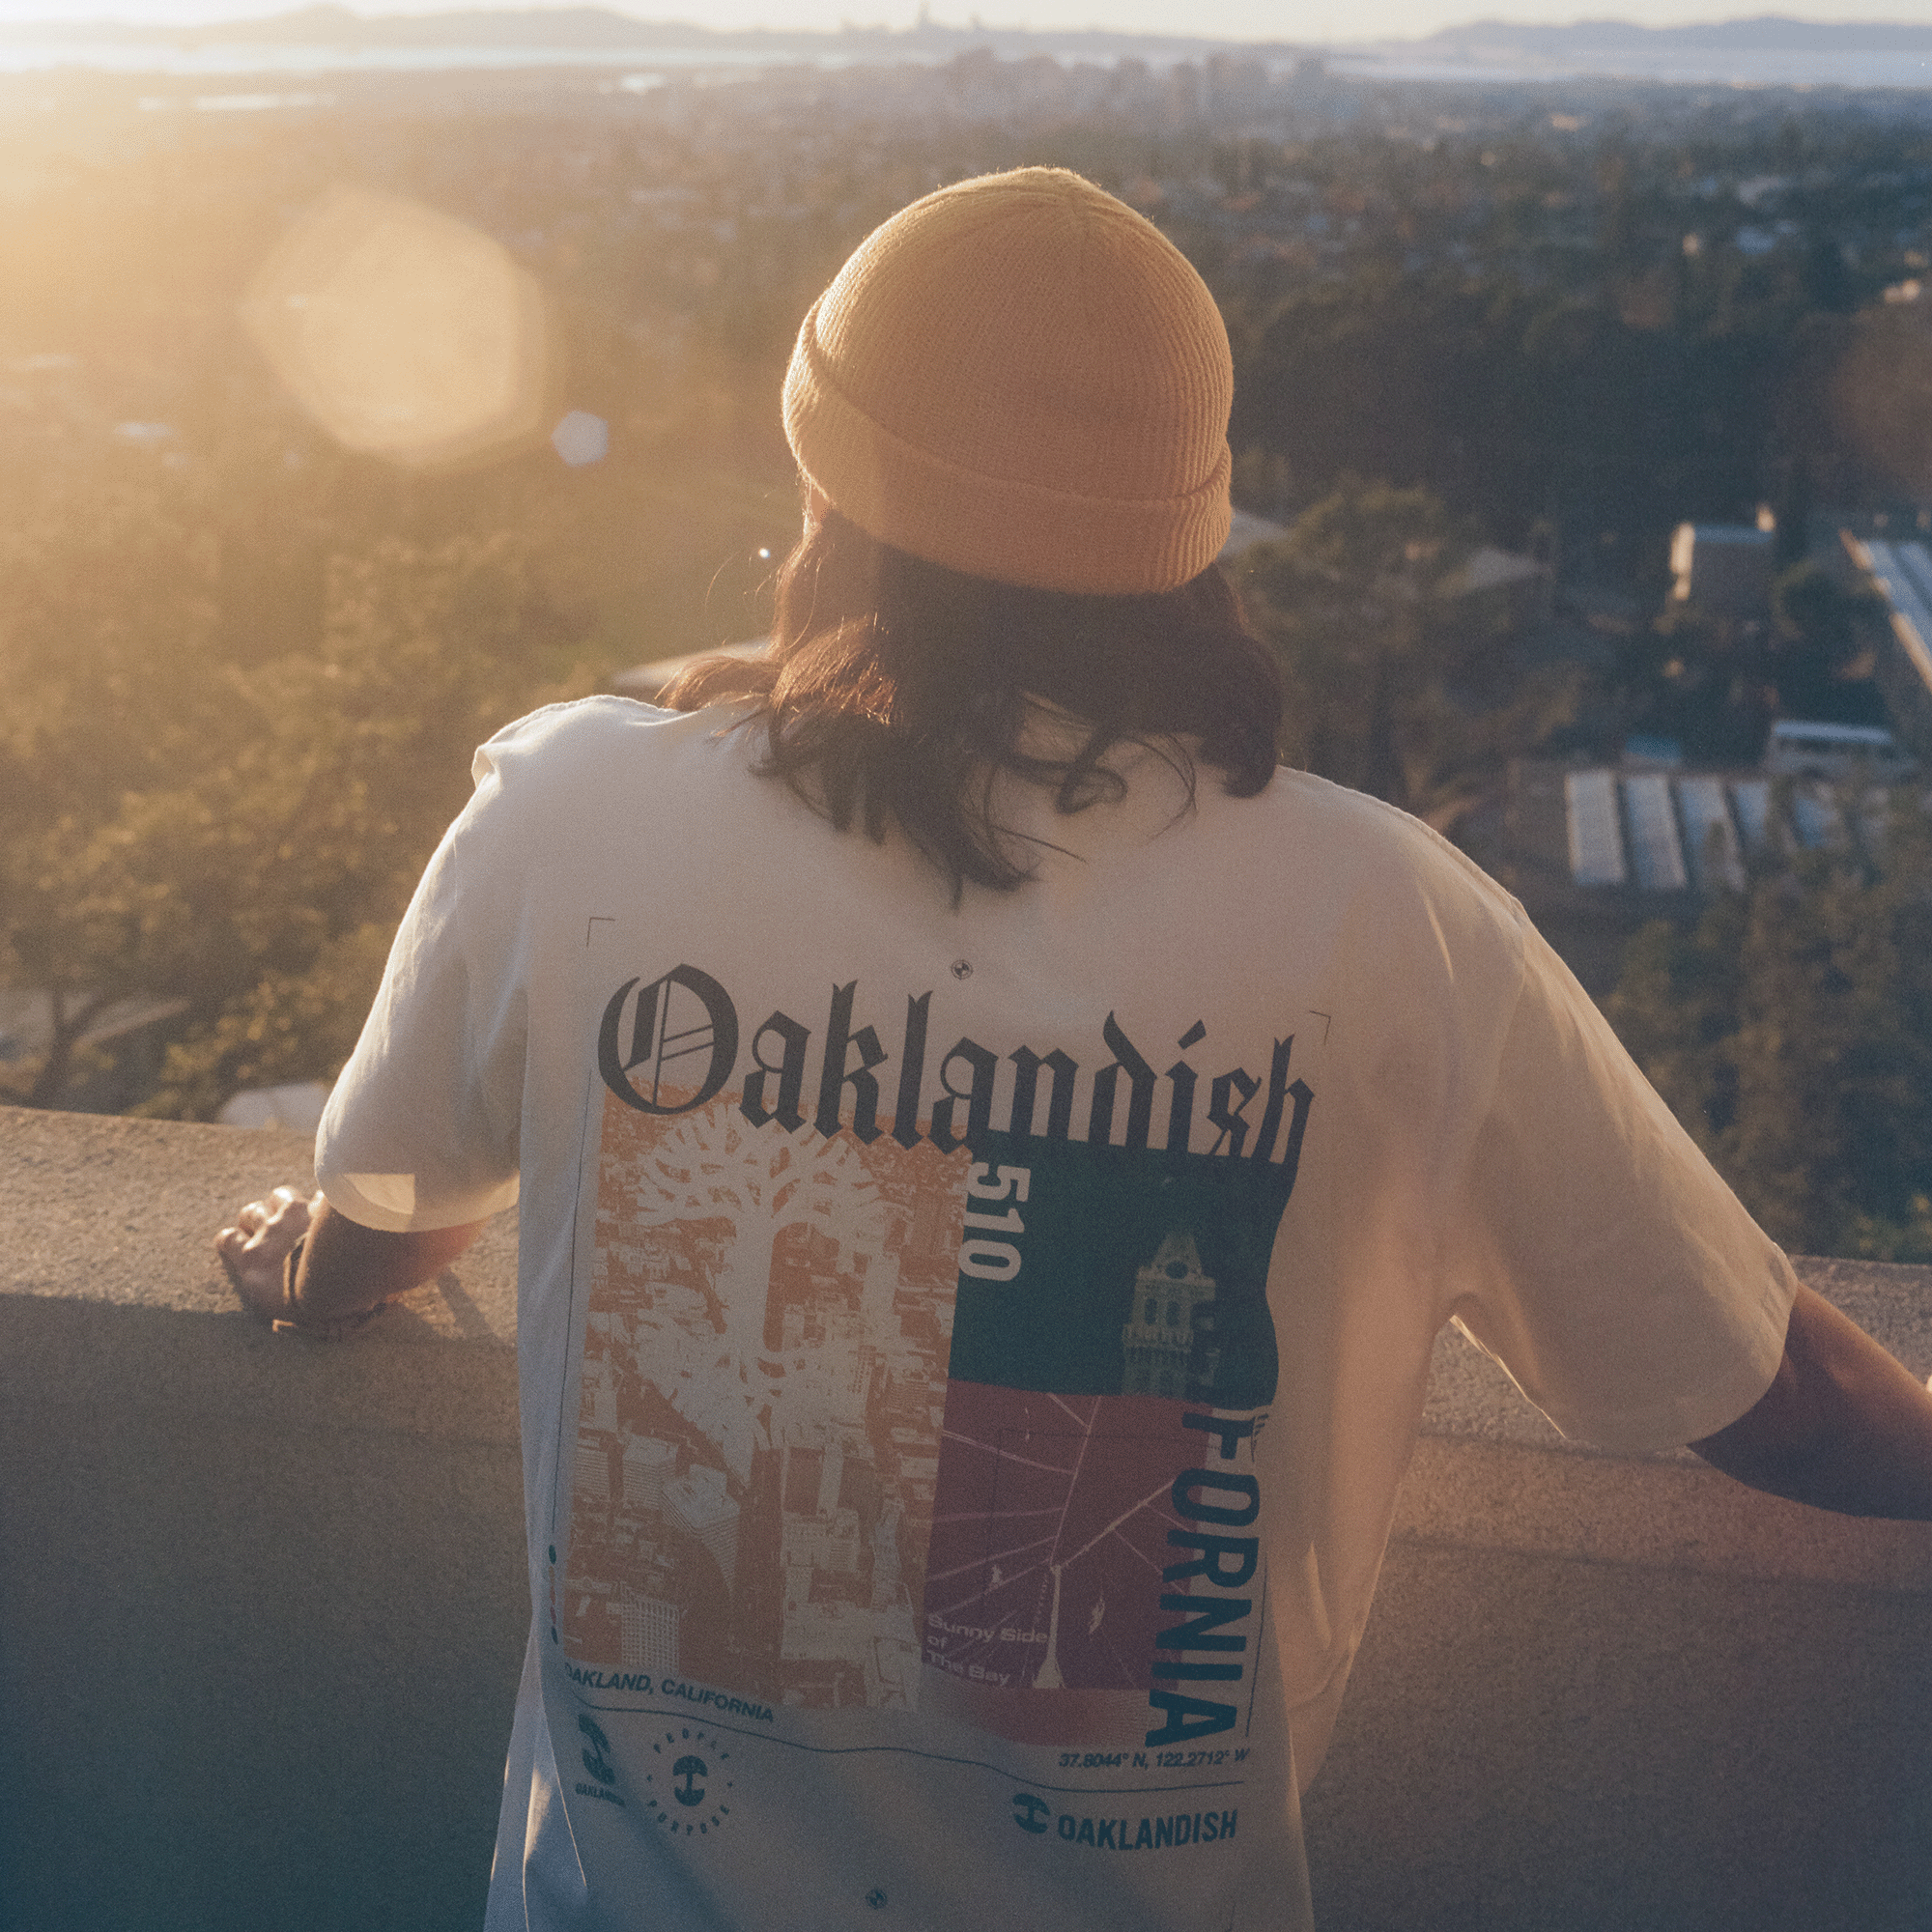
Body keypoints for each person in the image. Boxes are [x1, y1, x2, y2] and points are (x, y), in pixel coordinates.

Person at [216, 168, 1932, 1932]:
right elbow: (1762, 1386)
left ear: (829, 489)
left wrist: (317, 1268)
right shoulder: (1389, 921)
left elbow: (402, 1204)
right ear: (1188, 538)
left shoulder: (570, 816)